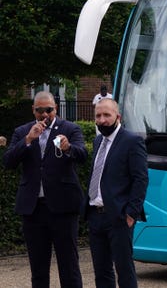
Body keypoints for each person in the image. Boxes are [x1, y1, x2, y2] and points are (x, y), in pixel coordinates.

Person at [2, 91, 87, 288]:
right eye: (40, 110)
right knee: (38, 270)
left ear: (55, 109)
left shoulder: (70, 128)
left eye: (48, 110)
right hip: (33, 210)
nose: (44, 115)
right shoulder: (22, 131)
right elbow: (8, 162)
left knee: (69, 267)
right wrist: (28, 140)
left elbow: (82, 155)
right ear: (33, 110)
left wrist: (68, 148)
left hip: (63, 209)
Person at [86, 98, 148, 288]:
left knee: (124, 270)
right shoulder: (98, 141)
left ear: (117, 116)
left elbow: (141, 179)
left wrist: (131, 213)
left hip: (120, 217)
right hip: (95, 216)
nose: (102, 119)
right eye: (98, 115)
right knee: (102, 272)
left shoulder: (132, 141)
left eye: (107, 115)